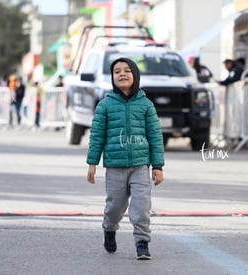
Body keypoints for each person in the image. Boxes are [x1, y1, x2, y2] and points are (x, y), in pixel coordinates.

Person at [86, 57, 164, 260]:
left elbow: (155, 136)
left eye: (127, 70)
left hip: (140, 166)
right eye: (117, 71)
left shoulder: (146, 105)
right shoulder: (105, 105)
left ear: (135, 75)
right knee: (115, 207)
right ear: (112, 77)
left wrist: (158, 166)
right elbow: (97, 135)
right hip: (114, 166)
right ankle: (109, 229)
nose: (122, 74)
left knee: (141, 206)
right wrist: (92, 163)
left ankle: (142, 243)